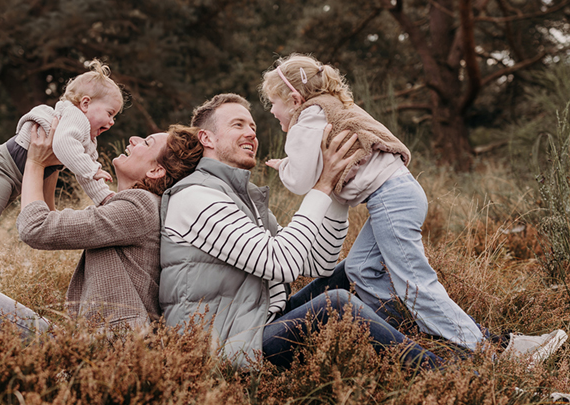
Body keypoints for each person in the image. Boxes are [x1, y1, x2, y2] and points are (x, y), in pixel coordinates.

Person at [258, 53, 567, 362]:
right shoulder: (329, 108)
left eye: (274, 103)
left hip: (391, 197)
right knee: (359, 269)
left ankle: (487, 354)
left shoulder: (307, 120)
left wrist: (283, 165)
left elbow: (299, 181)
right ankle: (412, 335)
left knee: (415, 284)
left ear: (294, 99)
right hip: (398, 193)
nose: (272, 110)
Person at [0, 118, 204, 377]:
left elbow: (35, 228)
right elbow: (53, 222)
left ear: (157, 170)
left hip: (107, 354)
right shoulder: (131, 206)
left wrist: (35, 162)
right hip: (97, 350)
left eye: (146, 142)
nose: (133, 139)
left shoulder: (140, 207)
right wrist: (53, 163)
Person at [159, 93, 445, 369]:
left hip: (258, 320)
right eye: (238, 125)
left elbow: (318, 264)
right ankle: (444, 370)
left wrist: (336, 186)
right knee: (335, 303)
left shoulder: (244, 197)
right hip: (222, 343)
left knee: (352, 270)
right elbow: (279, 263)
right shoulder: (196, 196)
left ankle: (442, 335)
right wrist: (321, 186)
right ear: (207, 138)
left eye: (253, 127)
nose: (251, 134)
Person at [0, 59, 122, 285]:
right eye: (110, 113)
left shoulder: (86, 136)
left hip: (11, 174)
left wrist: (104, 197)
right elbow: (65, 147)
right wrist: (93, 169)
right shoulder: (74, 118)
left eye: (115, 116)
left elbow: (84, 173)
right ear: (86, 103)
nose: (112, 121)